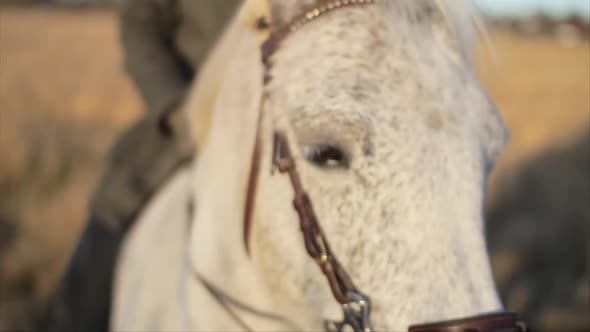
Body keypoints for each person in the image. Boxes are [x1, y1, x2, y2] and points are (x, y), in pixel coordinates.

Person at [49, 1, 241, 331]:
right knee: (86, 291)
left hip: (297, 138)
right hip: (183, 134)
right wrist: (179, 112)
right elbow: (140, 29)